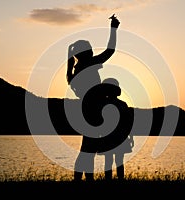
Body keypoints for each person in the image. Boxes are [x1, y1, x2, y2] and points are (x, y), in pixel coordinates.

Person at [66, 15, 120, 181]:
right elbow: (110, 51)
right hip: (91, 110)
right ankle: (83, 180)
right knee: (87, 149)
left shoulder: (76, 69)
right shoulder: (87, 65)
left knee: (88, 147)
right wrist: (113, 30)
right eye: (89, 49)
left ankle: (86, 179)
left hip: (87, 110)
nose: (92, 51)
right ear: (84, 53)